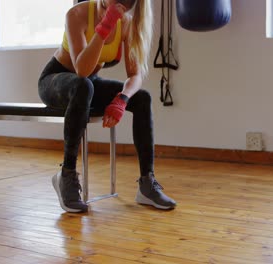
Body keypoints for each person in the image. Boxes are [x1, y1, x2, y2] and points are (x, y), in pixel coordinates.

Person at [38, 0, 176, 213]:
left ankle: (147, 182)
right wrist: (106, 26)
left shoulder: (127, 22)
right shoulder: (77, 14)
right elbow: (82, 69)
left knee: (142, 98)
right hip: (54, 81)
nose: (118, 5)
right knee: (83, 85)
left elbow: (135, 76)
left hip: (87, 85)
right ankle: (66, 175)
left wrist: (122, 99)